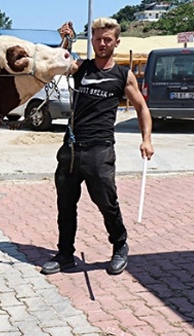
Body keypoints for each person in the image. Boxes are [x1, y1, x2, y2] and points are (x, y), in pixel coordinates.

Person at [41, 18, 155, 276]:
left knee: (107, 203)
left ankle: (119, 246)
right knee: (65, 204)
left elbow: (141, 108)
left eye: (107, 39)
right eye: (97, 39)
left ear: (116, 42)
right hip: (71, 149)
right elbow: (59, 63)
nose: (102, 43)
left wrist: (146, 139)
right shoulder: (81, 68)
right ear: (92, 41)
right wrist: (65, 40)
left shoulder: (122, 76)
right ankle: (65, 254)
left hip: (100, 150)